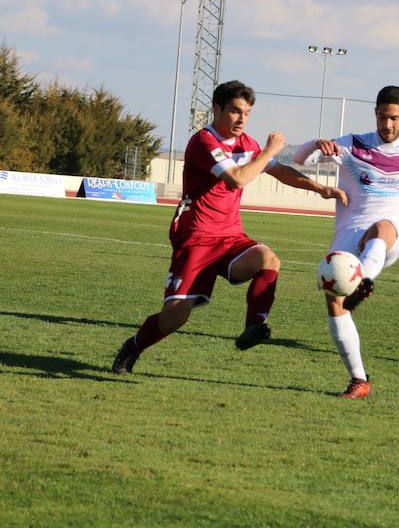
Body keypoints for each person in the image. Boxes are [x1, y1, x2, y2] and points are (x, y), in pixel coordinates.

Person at [112, 80, 348, 374]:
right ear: (216, 109)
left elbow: (279, 171)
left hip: (230, 237)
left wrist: (319, 188)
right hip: (196, 240)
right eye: (235, 111)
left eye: (247, 113)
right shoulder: (203, 142)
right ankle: (133, 346)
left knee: (269, 260)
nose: (241, 119)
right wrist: (268, 151)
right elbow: (236, 178)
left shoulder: (247, 145)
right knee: (174, 318)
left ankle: (254, 326)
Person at [294, 85, 399, 399]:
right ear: (376, 114)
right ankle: (359, 380)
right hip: (349, 234)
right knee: (334, 301)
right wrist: (316, 144)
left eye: (394, 118)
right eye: (383, 118)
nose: (388, 125)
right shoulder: (352, 145)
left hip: (388, 238)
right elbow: (302, 160)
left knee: (382, 227)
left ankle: (364, 281)